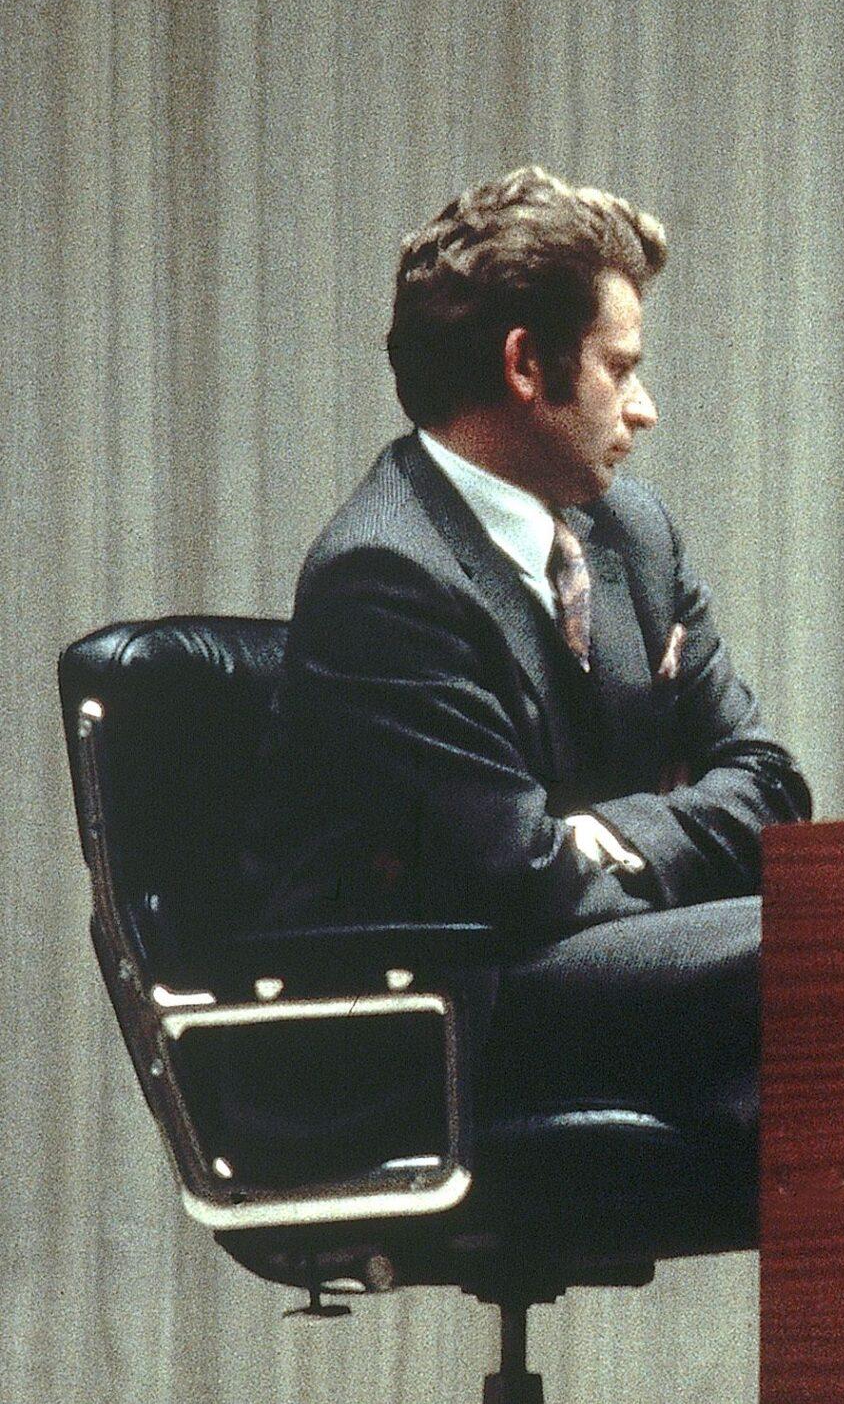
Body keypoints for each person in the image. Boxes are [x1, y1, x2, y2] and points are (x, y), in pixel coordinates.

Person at [247, 167, 810, 1134]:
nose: (644, 409)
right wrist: (667, 834)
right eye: (619, 369)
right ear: (525, 366)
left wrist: (611, 834)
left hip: (587, 969)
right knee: (833, 956)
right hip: (443, 1025)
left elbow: (771, 789)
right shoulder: (384, 574)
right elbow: (524, 880)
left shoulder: (635, 534)